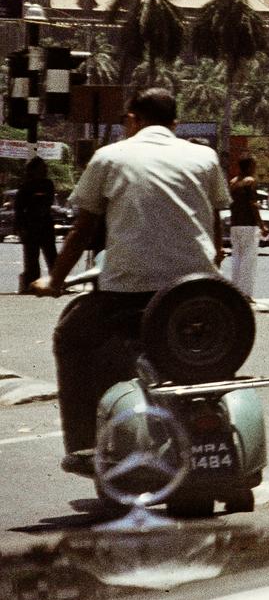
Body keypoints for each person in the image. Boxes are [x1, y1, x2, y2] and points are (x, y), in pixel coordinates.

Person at [43, 89, 230, 476]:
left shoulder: (111, 156)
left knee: (71, 334)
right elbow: (213, 225)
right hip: (196, 294)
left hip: (129, 294)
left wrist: (54, 280)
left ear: (132, 120)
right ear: (175, 124)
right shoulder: (205, 156)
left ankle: (83, 445)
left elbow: (82, 230)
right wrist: (209, 260)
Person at [14, 156, 58, 293]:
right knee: (32, 259)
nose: (45, 169)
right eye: (41, 167)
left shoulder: (48, 184)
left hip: (45, 225)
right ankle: (31, 285)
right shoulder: (26, 186)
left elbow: (48, 202)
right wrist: (21, 228)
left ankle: (56, 283)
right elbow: (19, 209)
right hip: (30, 226)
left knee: (52, 257)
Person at [228, 156, 262, 299]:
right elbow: (253, 204)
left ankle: (235, 291)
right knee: (248, 260)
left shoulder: (233, 182)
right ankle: (246, 294)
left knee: (237, 257)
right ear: (249, 167)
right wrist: (261, 224)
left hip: (235, 224)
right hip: (248, 224)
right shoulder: (250, 181)